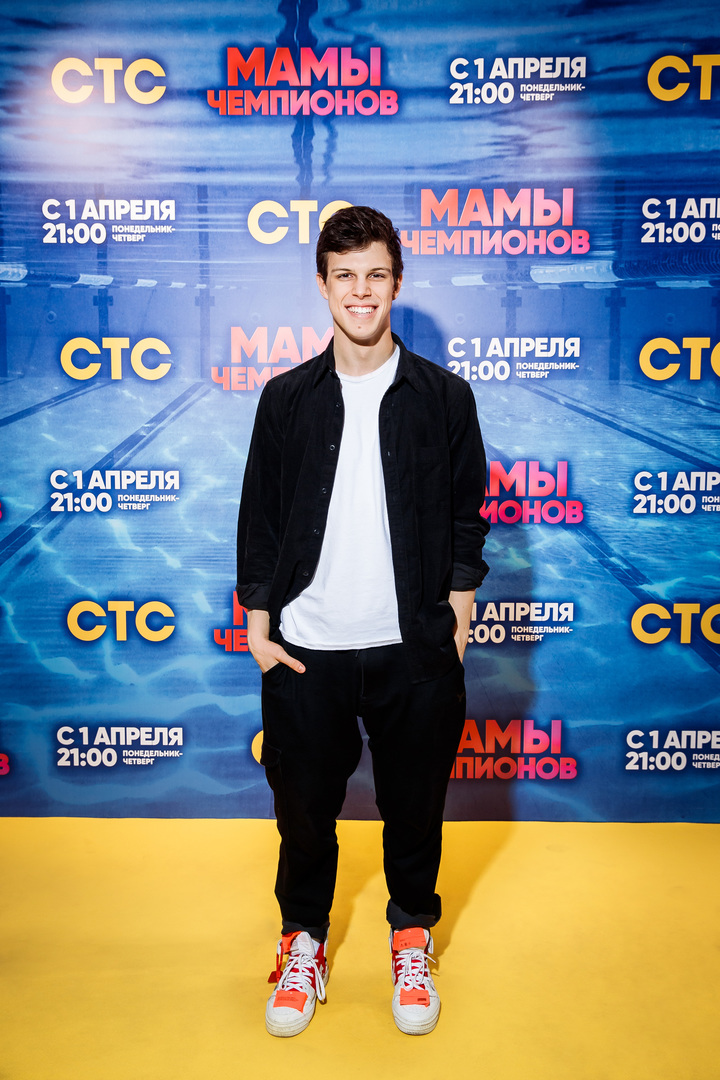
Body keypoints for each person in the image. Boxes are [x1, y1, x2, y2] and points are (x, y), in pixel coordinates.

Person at [236, 205, 489, 1038]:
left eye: (375, 274)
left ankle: (411, 939)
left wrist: (457, 613)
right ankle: (302, 944)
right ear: (322, 284)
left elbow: (467, 515)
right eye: (344, 275)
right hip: (307, 648)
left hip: (412, 648)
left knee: (414, 810)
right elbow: (260, 517)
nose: (360, 291)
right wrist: (258, 622)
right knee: (303, 815)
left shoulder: (445, 397)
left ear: (397, 283)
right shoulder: (286, 398)